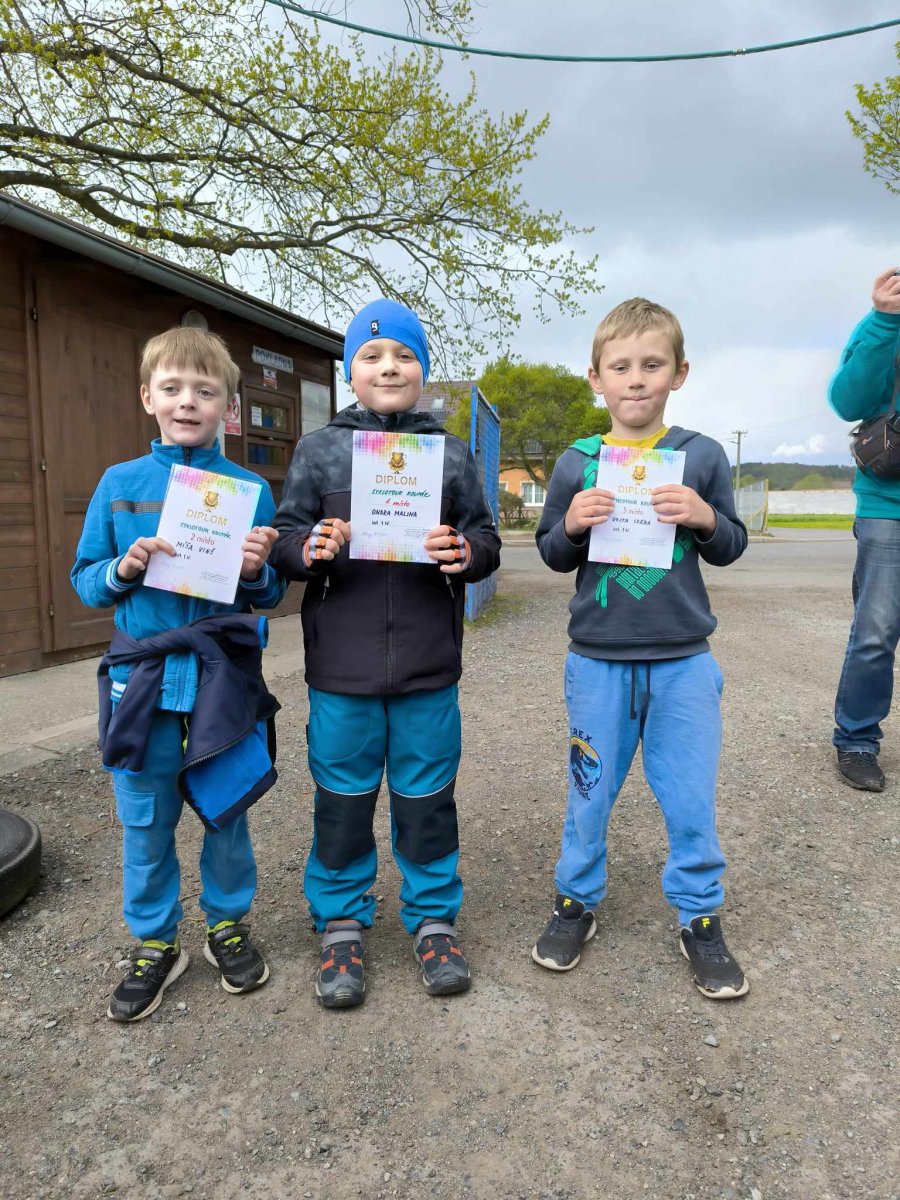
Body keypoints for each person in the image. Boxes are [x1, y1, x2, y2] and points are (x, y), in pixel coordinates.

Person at [270, 298, 501, 1009]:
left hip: (428, 664)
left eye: (404, 355)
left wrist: (464, 551)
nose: (389, 367)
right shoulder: (318, 451)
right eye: (370, 357)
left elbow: (485, 538)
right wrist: (309, 547)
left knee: (427, 798)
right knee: (342, 799)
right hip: (342, 667)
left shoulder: (450, 454)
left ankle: (433, 921)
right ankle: (340, 922)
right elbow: (284, 538)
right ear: (351, 372)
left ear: (422, 370)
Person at [530, 297, 750, 999]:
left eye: (652, 365)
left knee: (689, 796)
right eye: (620, 366)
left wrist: (705, 517)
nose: (636, 379)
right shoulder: (578, 461)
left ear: (678, 373)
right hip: (598, 659)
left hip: (684, 660)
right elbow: (551, 553)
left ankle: (699, 914)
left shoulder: (700, 456)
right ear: (595, 377)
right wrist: (571, 523)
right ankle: (576, 900)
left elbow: (731, 544)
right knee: (588, 792)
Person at [71, 327, 285, 1022]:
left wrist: (256, 570)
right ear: (148, 398)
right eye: (172, 388)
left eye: (204, 390)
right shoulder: (119, 485)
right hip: (144, 679)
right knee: (145, 817)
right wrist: (123, 568)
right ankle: (156, 941)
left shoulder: (250, 490)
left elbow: (270, 591)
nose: (187, 401)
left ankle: (227, 923)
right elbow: (85, 580)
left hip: (222, 678)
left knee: (227, 808)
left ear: (228, 407)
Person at [830, 267, 900, 792]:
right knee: (876, 633)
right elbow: (847, 402)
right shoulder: (882, 322)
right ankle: (856, 740)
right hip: (888, 505)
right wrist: (884, 321)